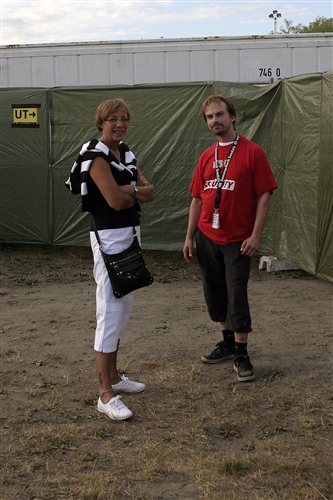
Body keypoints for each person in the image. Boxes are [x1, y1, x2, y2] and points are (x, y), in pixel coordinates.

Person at [66, 98, 154, 420]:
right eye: (113, 119)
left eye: (125, 118)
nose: (120, 124)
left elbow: (151, 191)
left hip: (130, 236)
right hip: (108, 238)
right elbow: (116, 201)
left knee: (124, 308)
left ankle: (115, 377)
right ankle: (105, 393)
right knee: (110, 310)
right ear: (101, 122)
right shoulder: (95, 156)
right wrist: (133, 189)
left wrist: (129, 187)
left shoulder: (124, 152)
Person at [183, 94, 277, 382]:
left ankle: (242, 353)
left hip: (238, 240)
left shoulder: (252, 152)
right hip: (207, 237)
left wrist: (255, 235)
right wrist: (189, 237)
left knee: (237, 294)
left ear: (232, 117)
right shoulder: (206, 156)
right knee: (215, 292)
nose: (215, 121)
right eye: (210, 117)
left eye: (220, 115)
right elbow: (197, 199)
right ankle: (226, 342)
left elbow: (264, 195)